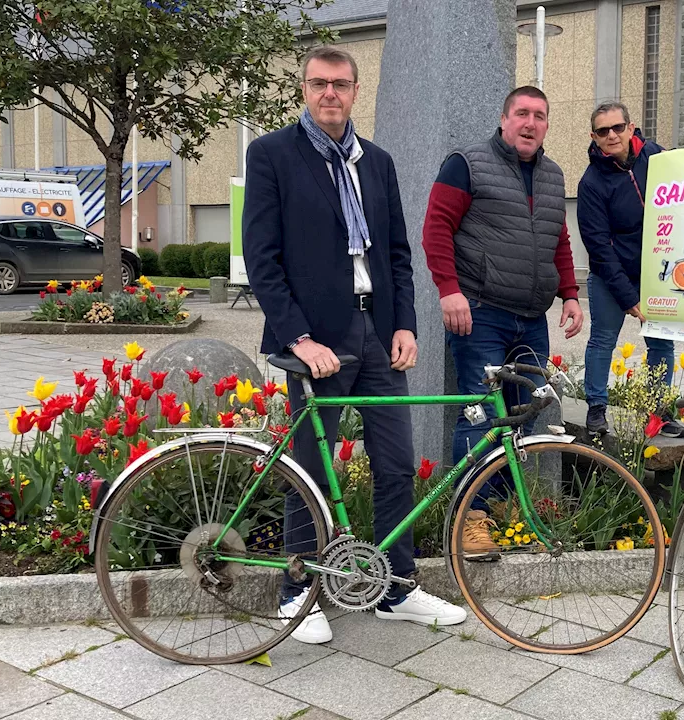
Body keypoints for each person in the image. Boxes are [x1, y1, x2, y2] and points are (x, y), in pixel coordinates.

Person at [243, 44, 466, 644]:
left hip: (377, 333)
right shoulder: (271, 155)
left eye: (340, 84)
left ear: (355, 89)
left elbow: (395, 251)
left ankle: (396, 588)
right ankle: (298, 590)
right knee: (310, 470)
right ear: (304, 89)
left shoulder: (378, 162)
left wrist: (404, 325)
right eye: (318, 84)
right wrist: (299, 336)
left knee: (395, 464)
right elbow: (263, 262)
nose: (329, 94)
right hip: (316, 340)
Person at [422, 85, 583, 559]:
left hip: (532, 317)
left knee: (520, 418)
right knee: (480, 415)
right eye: (522, 114)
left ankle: (501, 508)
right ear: (504, 118)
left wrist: (570, 295)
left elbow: (559, 242)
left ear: (547, 124)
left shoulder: (552, 175)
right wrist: (449, 290)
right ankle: (470, 521)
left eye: (539, 116)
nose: (530, 123)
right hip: (482, 311)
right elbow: (436, 228)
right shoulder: (466, 164)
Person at [577, 101, 684, 438]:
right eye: (603, 131)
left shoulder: (657, 157)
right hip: (611, 276)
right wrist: (627, 296)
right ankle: (596, 409)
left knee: (662, 345)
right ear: (594, 136)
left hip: (658, 272)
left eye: (617, 128)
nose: (612, 135)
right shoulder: (591, 182)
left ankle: (660, 412)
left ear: (631, 127)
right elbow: (598, 245)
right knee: (603, 341)